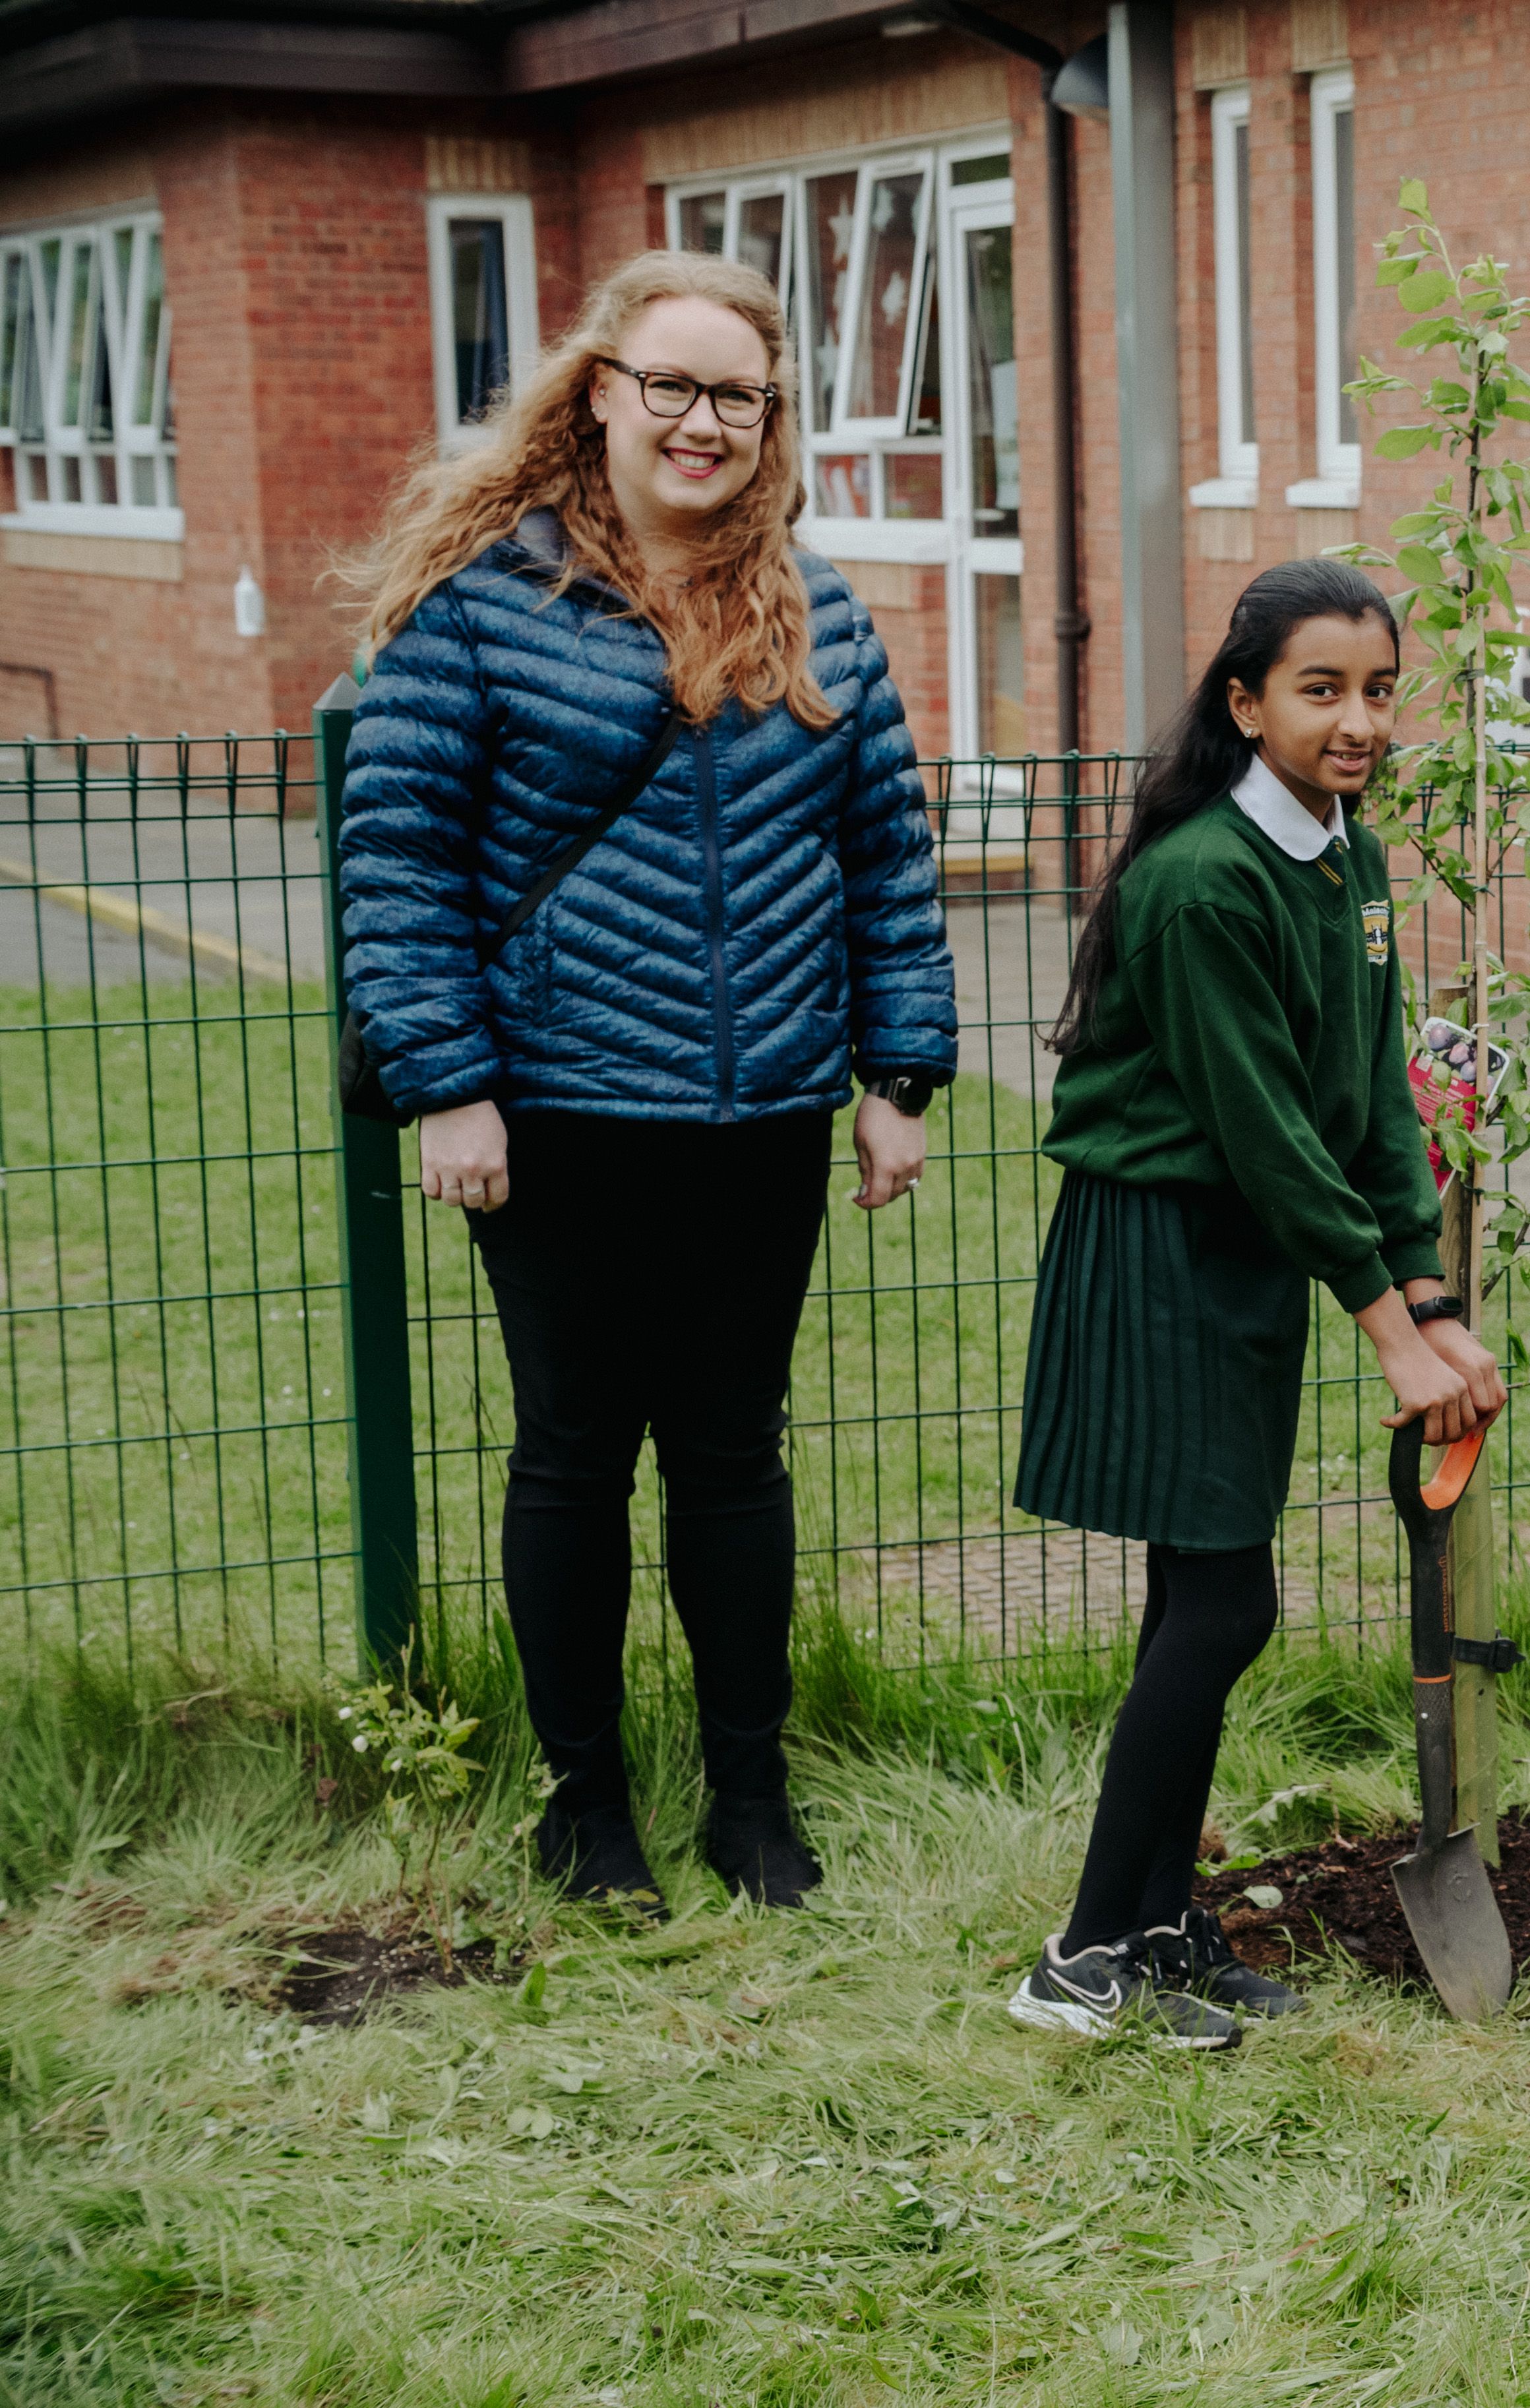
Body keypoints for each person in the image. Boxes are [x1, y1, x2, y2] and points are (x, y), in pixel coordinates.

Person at [338, 252, 957, 1915]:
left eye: (738, 396)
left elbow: (888, 853)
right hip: (558, 1116)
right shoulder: (480, 606)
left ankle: (750, 1800)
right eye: (673, 386)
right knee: (573, 1453)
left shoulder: (819, 611)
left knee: (735, 1456)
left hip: (758, 1120)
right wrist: (448, 1084)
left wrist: (898, 1069)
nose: (705, 423)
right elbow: (397, 863)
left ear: (773, 420)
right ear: (598, 389)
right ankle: (584, 1803)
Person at [1006, 559, 1504, 2050]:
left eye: (1378, 691)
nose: (1358, 720)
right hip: (1161, 1250)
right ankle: (1084, 1951)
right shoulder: (1204, 879)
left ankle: (1156, 1928)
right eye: (1321, 689)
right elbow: (1262, 1125)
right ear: (1245, 702)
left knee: (1199, 1599)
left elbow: (1364, 1094)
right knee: (1226, 1601)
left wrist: (1426, 1283)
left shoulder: (1344, 856)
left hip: (1246, 1254)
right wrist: (1390, 1335)